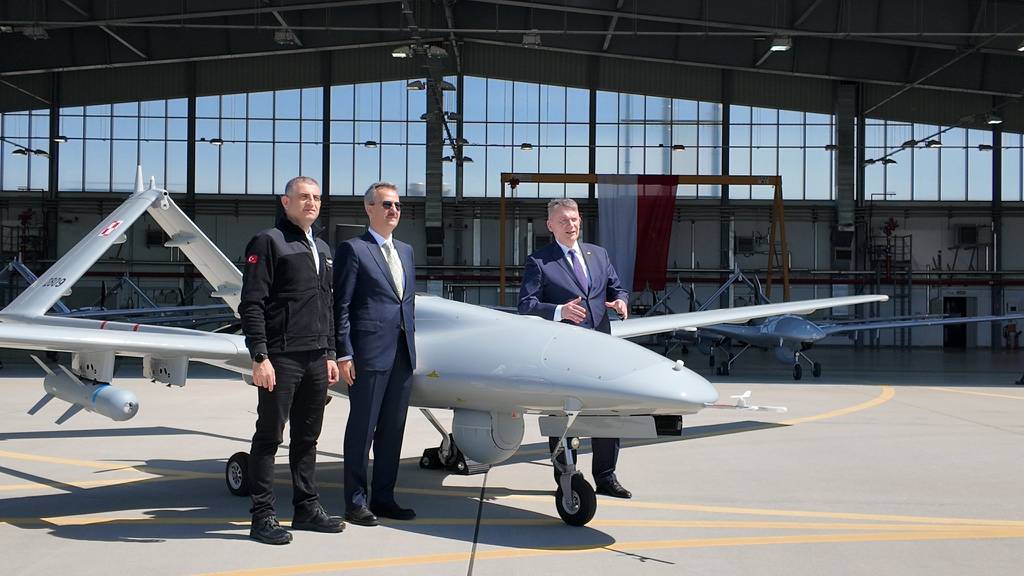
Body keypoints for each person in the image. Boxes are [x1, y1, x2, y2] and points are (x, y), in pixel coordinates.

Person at [239, 176, 346, 544]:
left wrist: (330, 352)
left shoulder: (322, 247)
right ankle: (263, 516)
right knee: (269, 437)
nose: (311, 203)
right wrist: (260, 356)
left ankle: (306, 509)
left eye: (316, 197)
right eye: (303, 197)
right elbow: (251, 302)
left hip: (317, 357)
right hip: (281, 357)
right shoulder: (269, 241)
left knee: (307, 438)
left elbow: (326, 305)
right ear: (285, 202)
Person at [518, 198, 633, 499]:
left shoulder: (599, 255)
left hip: (601, 348)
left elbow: (615, 287)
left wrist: (620, 300)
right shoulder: (539, 262)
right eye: (564, 221)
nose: (571, 225)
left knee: (609, 409)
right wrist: (559, 311)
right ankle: (565, 476)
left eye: (575, 219)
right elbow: (526, 306)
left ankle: (606, 476)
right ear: (550, 225)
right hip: (564, 353)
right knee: (564, 417)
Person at [334, 181, 417, 526]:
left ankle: (384, 497)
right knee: (362, 429)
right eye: (385, 204)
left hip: (402, 353)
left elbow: (404, 303)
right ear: (368, 208)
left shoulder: (407, 251)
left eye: (397, 205)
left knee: (393, 430)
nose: (393, 210)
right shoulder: (354, 249)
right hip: (367, 354)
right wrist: (344, 352)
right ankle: (355, 501)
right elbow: (341, 305)